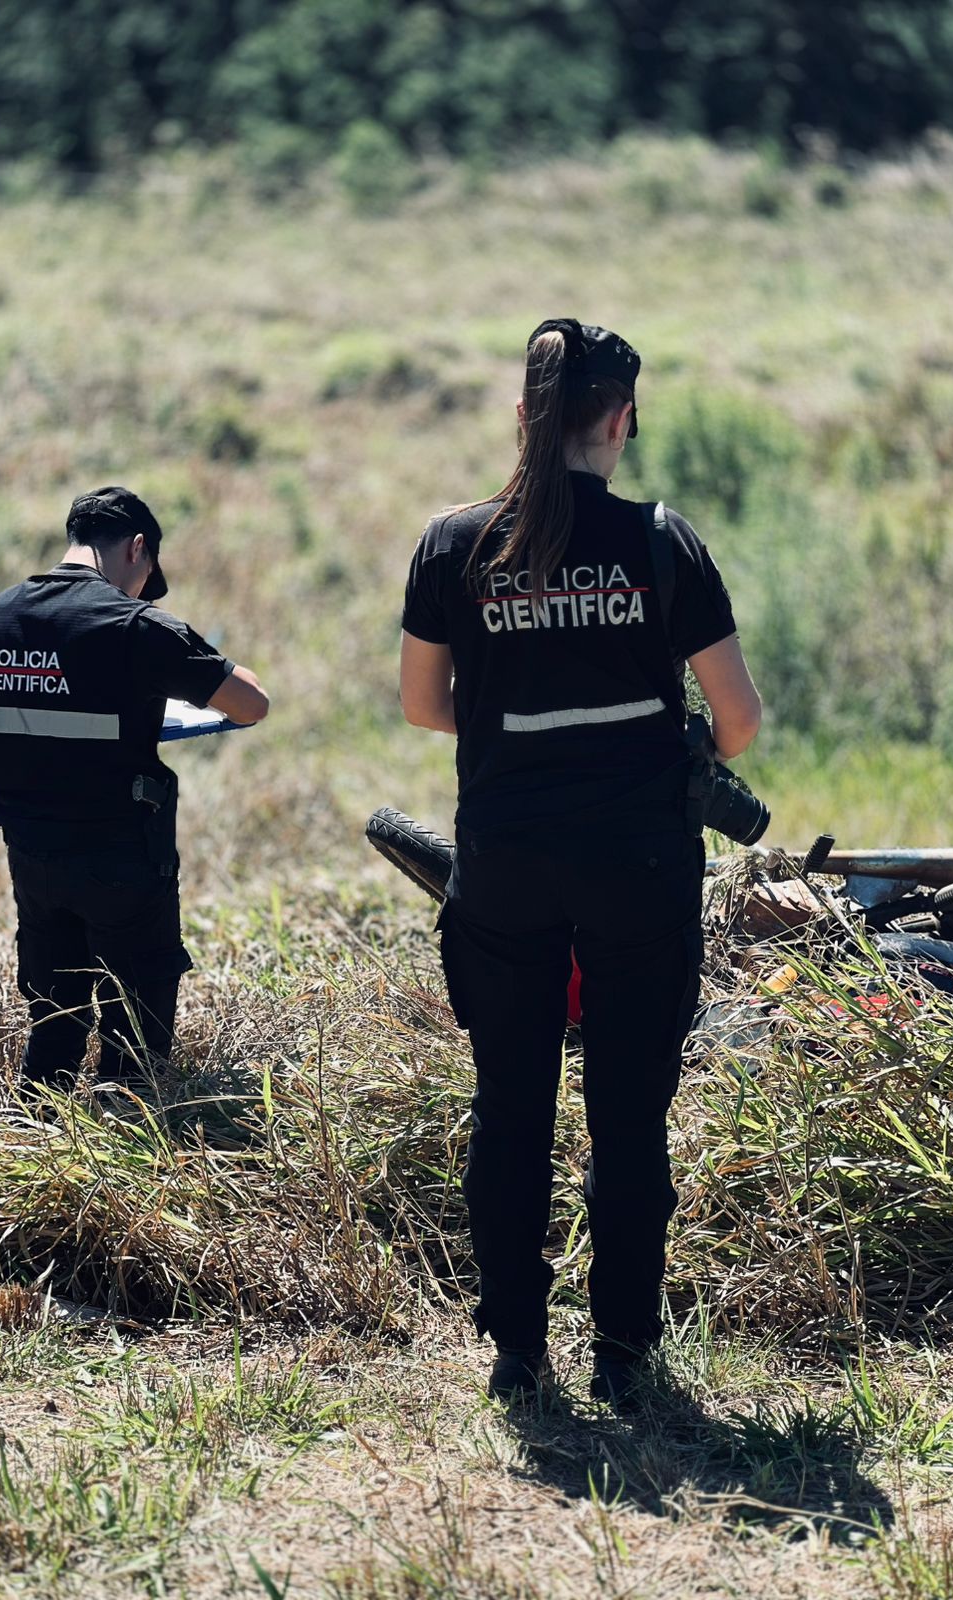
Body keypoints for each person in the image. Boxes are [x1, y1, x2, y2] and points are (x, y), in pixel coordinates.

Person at [399, 320, 762, 1408]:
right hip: (640, 869)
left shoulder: (451, 543)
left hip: (505, 866)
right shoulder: (660, 540)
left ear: (524, 417)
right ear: (621, 420)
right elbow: (740, 724)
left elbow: (422, 705)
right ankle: (625, 1351)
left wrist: (513, 724)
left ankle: (518, 1347)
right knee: (628, 1118)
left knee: (510, 1106)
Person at [0, 486, 269, 1090]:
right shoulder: (137, 627)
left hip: (32, 858)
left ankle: (36, 1129)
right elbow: (252, 703)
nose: (139, 591)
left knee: (54, 1016)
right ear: (137, 548)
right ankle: (127, 1131)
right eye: (145, 577)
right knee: (136, 1031)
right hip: (122, 858)